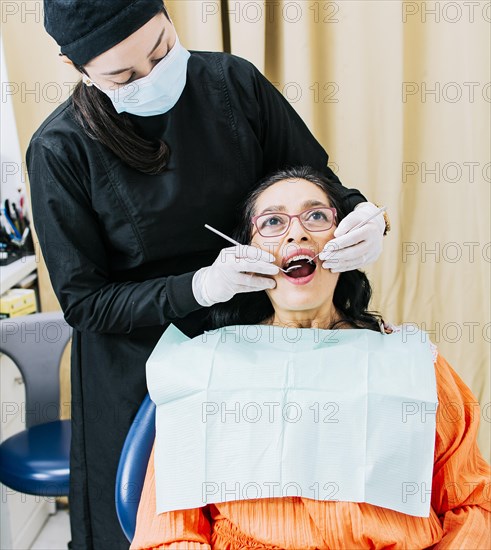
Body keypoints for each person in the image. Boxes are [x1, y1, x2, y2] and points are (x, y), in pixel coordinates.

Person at [26, 1, 388, 548]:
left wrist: (362, 215)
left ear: (169, 18)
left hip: (257, 341)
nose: (150, 78)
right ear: (78, 69)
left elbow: (313, 183)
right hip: (140, 368)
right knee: (155, 522)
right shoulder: (61, 150)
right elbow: (87, 304)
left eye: (161, 51)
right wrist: (199, 287)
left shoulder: (232, 84)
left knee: (272, 517)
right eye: (122, 76)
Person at [131, 166, 491, 549]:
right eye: (272, 222)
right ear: (247, 253)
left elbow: (471, 504)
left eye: (317, 216)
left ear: (348, 240)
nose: (297, 232)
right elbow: (169, 532)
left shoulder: (414, 364)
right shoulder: (205, 369)